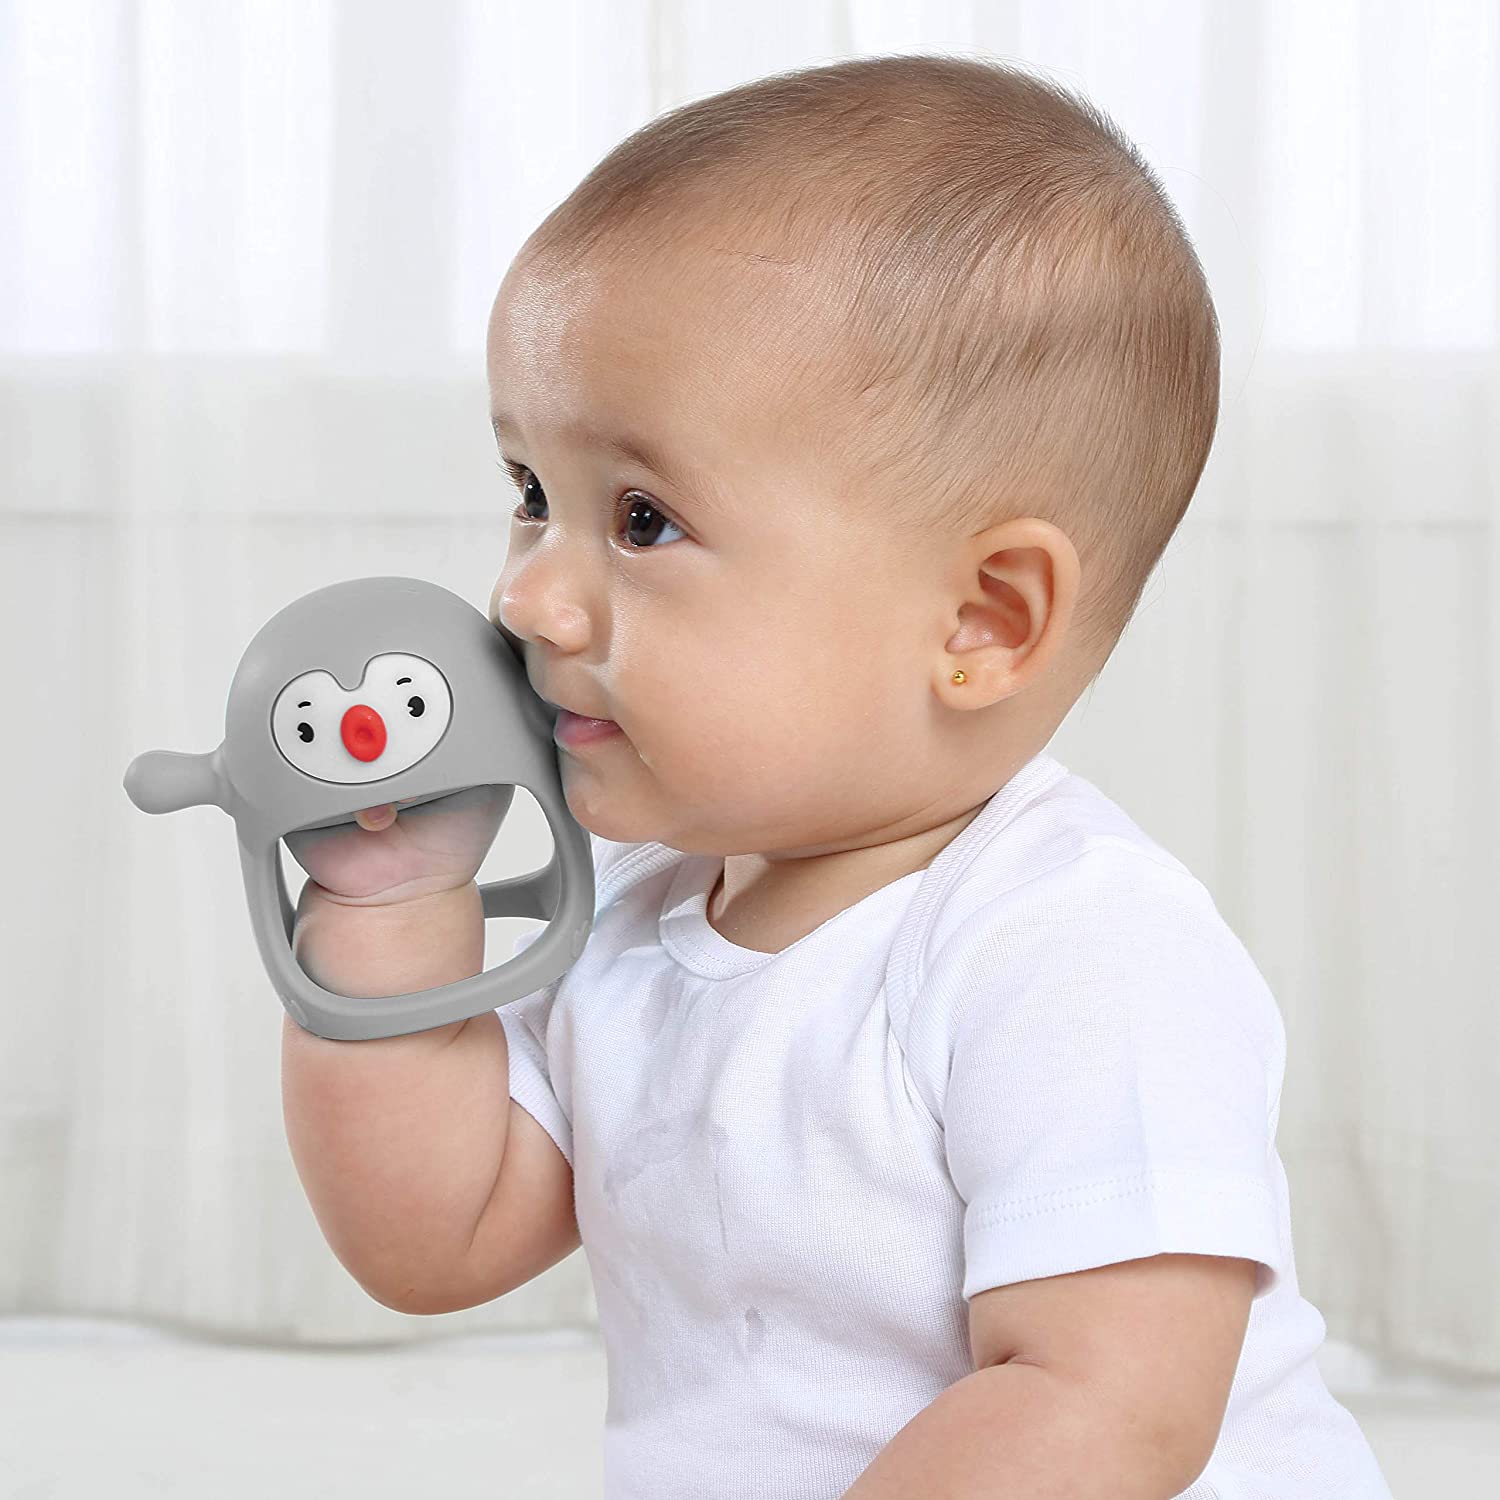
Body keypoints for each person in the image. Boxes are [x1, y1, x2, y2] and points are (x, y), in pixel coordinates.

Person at [280, 53, 1393, 1499]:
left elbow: (1106, 1409)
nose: (530, 597)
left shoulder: (1075, 949)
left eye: (642, 519)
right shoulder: (632, 906)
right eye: (532, 495)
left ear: (981, 620)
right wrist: (383, 924)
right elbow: (442, 1235)